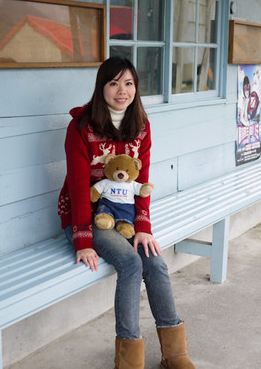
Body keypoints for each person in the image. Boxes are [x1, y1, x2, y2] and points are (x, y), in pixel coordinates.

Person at [58, 57, 195, 369]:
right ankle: (129, 360)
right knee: (132, 263)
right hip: (89, 218)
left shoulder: (141, 127)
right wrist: (83, 240)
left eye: (129, 83)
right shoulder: (80, 127)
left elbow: (143, 181)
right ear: (101, 87)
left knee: (156, 263)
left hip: (126, 216)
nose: (122, 90)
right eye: (114, 83)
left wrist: (143, 226)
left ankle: (175, 354)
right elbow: (79, 188)